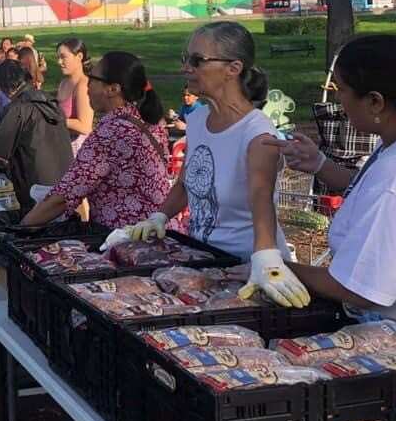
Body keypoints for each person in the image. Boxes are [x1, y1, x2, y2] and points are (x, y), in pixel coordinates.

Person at [127, 21, 308, 309]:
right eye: (185, 59)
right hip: (205, 263)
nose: (186, 68)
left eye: (197, 60)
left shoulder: (257, 133)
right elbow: (185, 183)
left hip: (249, 273)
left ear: (233, 68)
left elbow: (262, 199)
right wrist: (158, 217)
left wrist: (266, 259)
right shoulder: (198, 120)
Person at [266, 35, 396, 319]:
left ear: (375, 102)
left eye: (342, 89)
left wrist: (272, 266)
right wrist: (321, 165)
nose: (337, 99)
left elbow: (357, 288)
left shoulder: (392, 179)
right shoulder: (387, 144)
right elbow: (365, 191)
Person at [21, 52, 170, 229]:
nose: (87, 86)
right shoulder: (151, 119)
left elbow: (63, 197)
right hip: (162, 231)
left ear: (113, 89)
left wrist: (19, 228)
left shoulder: (110, 132)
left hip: (130, 239)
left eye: (92, 79)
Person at [0, 61, 73, 212]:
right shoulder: (50, 102)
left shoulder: (19, 109)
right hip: (65, 182)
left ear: (3, 86)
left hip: (35, 189)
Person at [56, 38, 94, 155]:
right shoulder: (63, 83)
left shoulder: (83, 85)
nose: (59, 62)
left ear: (79, 56)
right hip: (63, 146)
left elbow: (85, 126)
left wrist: (55, 120)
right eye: (58, 57)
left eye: (63, 57)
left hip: (79, 152)